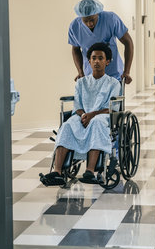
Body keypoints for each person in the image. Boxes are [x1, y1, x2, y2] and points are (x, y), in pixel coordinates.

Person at [40, 42, 121, 186]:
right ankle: (57, 172)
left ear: (107, 61)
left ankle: (89, 171)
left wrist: (92, 115)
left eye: (100, 58)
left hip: (102, 117)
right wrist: (84, 114)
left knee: (96, 123)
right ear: (88, 61)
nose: (96, 61)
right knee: (67, 125)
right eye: (93, 58)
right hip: (82, 116)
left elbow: (112, 108)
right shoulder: (81, 82)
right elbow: (77, 106)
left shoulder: (113, 83)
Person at [68, 0, 134, 84]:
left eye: (92, 20)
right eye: (86, 21)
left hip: (113, 75)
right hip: (90, 76)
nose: (89, 24)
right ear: (81, 17)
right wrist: (80, 72)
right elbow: (75, 49)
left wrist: (127, 71)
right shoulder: (75, 27)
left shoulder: (111, 19)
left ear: (98, 13)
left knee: (114, 96)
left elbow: (128, 42)